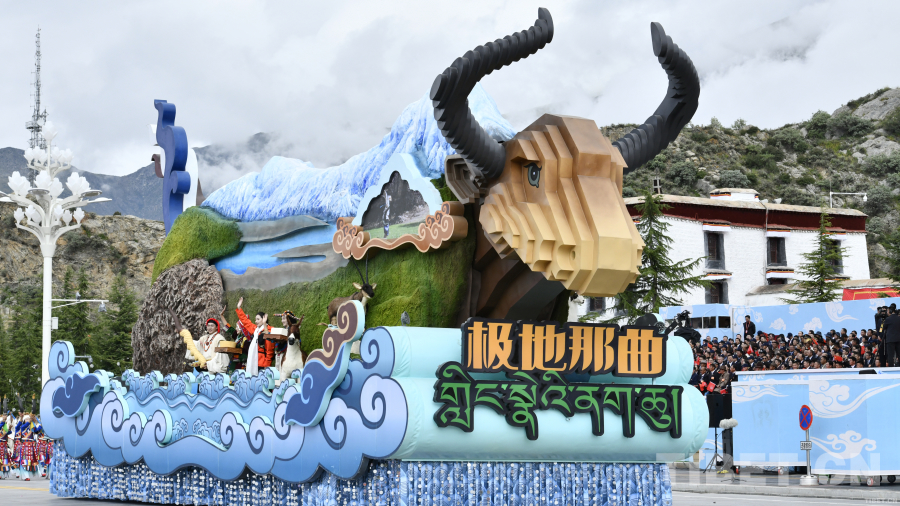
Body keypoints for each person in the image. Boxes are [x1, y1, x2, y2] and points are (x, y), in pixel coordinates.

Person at [235, 297, 274, 376]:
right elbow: (246, 322)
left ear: (264, 319)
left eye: (258, 319)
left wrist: (267, 365)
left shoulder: (270, 330)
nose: (256, 321)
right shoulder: (256, 329)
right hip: (253, 361)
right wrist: (239, 308)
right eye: (255, 319)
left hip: (262, 362)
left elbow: (269, 350)